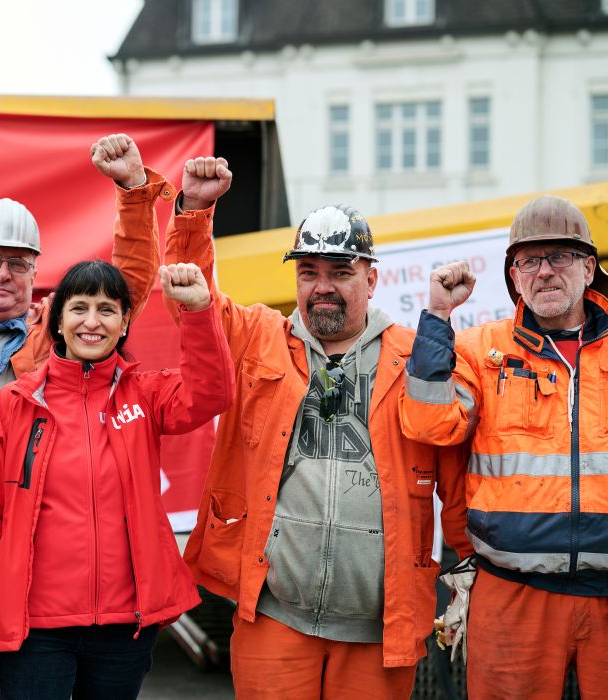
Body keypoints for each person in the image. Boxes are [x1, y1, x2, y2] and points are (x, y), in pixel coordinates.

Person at [166, 158, 473, 699]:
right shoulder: (259, 338)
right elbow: (193, 298)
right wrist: (193, 210)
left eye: (340, 272)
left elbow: (454, 468)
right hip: (274, 617)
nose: (322, 287)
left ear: (372, 279)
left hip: (377, 628)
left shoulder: (412, 356)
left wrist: (468, 565)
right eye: (309, 272)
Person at [0, 133, 172, 698]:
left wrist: (134, 191)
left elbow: (126, 287)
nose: (2, 275)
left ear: (35, 270)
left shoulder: (50, 339)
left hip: (19, 557)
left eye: (17, 264)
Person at [0, 259, 234, 698]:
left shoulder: (145, 392)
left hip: (123, 630)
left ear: (124, 323)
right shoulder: (16, 402)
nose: (92, 321)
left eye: (106, 309)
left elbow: (212, 392)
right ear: (59, 321)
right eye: (79, 308)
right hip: (34, 631)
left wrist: (199, 312)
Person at [399, 194, 608, 700]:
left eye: (560, 257)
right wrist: (438, 314)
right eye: (529, 260)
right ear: (514, 276)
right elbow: (427, 423)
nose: (545, 272)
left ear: (589, 268)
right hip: (511, 596)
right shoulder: (480, 352)